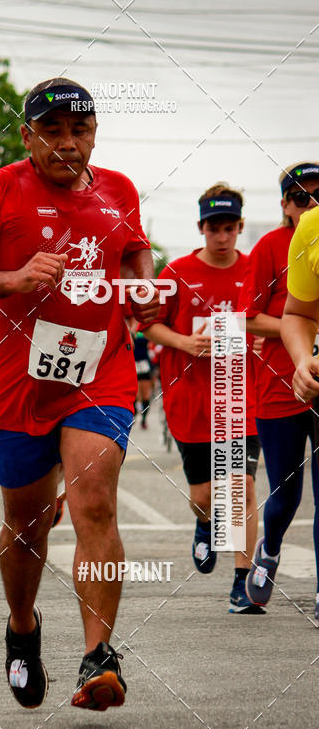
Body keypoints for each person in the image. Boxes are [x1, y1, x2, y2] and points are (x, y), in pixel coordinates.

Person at [0, 77, 158, 711]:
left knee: (93, 502)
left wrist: (142, 289)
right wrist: (13, 277)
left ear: (94, 133)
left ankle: (98, 658)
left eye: (79, 130)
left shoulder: (119, 190)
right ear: (26, 136)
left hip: (99, 372)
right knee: (28, 523)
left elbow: (136, 252)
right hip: (19, 383)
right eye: (52, 131)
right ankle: (23, 627)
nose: (67, 143)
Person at [142, 184, 262, 613]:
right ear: (201, 228)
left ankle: (242, 582)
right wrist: (184, 343)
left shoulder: (255, 271)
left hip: (239, 396)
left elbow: (271, 321)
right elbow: (147, 326)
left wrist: (260, 338)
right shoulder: (174, 273)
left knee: (240, 487)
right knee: (205, 496)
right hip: (189, 397)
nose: (223, 236)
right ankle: (205, 524)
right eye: (214, 228)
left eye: (230, 228)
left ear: (240, 227)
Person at [238, 162, 319, 613]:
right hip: (278, 382)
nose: (311, 203)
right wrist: (305, 340)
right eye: (302, 197)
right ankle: (269, 547)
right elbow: (250, 317)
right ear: (285, 205)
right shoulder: (271, 246)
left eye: (318, 194)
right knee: (286, 489)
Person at [279, 204, 319, 621]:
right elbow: (298, 314)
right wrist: (303, 359)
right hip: (277, 397)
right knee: (286, 494)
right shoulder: (313, 226)